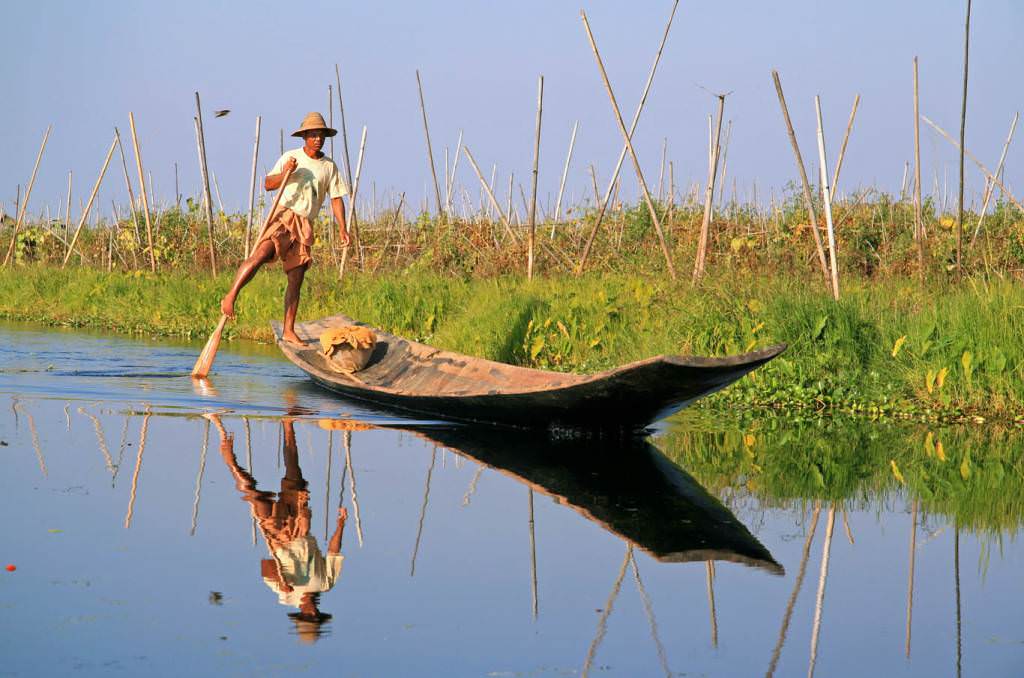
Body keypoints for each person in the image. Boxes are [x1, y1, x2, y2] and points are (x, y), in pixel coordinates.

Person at [208, 414, 347, 644]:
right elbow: (333, 551)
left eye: (307, 616)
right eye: (313, 616)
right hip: (300, 529)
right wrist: (340, 524)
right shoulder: (325, 584)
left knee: (252, 495)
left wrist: (279, 579)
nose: (311, 612)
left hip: (278, 540)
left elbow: (265, 565)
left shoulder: (286, 596)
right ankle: (288, 424)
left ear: (302, 613)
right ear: (317, 613)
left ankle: (230, 459)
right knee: (295, 475)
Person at [220, 111, 350, 346]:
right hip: (282, 217)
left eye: (320, 135)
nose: (317, 139)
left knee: (296, 278)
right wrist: (286, 172)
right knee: (260, 255)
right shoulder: (290, 157)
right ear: (304, 137)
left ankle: (289, 330)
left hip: (305, 224)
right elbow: (268, 184)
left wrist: (343, 228)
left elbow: (336, 198)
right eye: (313, 135)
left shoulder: (329, 166)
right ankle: (230, 296)